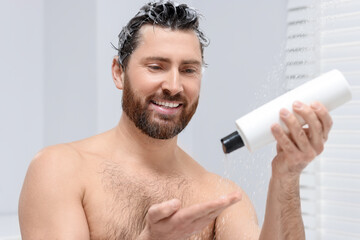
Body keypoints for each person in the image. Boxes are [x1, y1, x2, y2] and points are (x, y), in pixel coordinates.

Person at [18, 1, 333, 239]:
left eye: (188, 70)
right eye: (156, 66)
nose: (173, 85)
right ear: (118, 71)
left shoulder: (219, 196)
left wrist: (287, 176)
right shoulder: (61, 169)